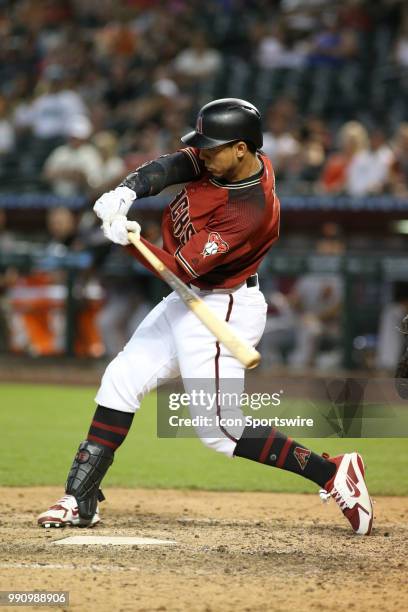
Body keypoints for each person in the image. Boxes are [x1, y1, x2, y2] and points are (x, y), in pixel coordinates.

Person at [37, 98, 373, 535]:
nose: (204, 153)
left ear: (240, 148)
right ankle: (79, 499)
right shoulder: (232, 160)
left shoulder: (248, 210)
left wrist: (127, 239)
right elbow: (178, 163)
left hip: (222, 305)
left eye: (213, 147)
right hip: (190, 298)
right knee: (122, 378)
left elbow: (176, 269)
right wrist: (128, 190)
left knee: (221, 431)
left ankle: (332, 472)